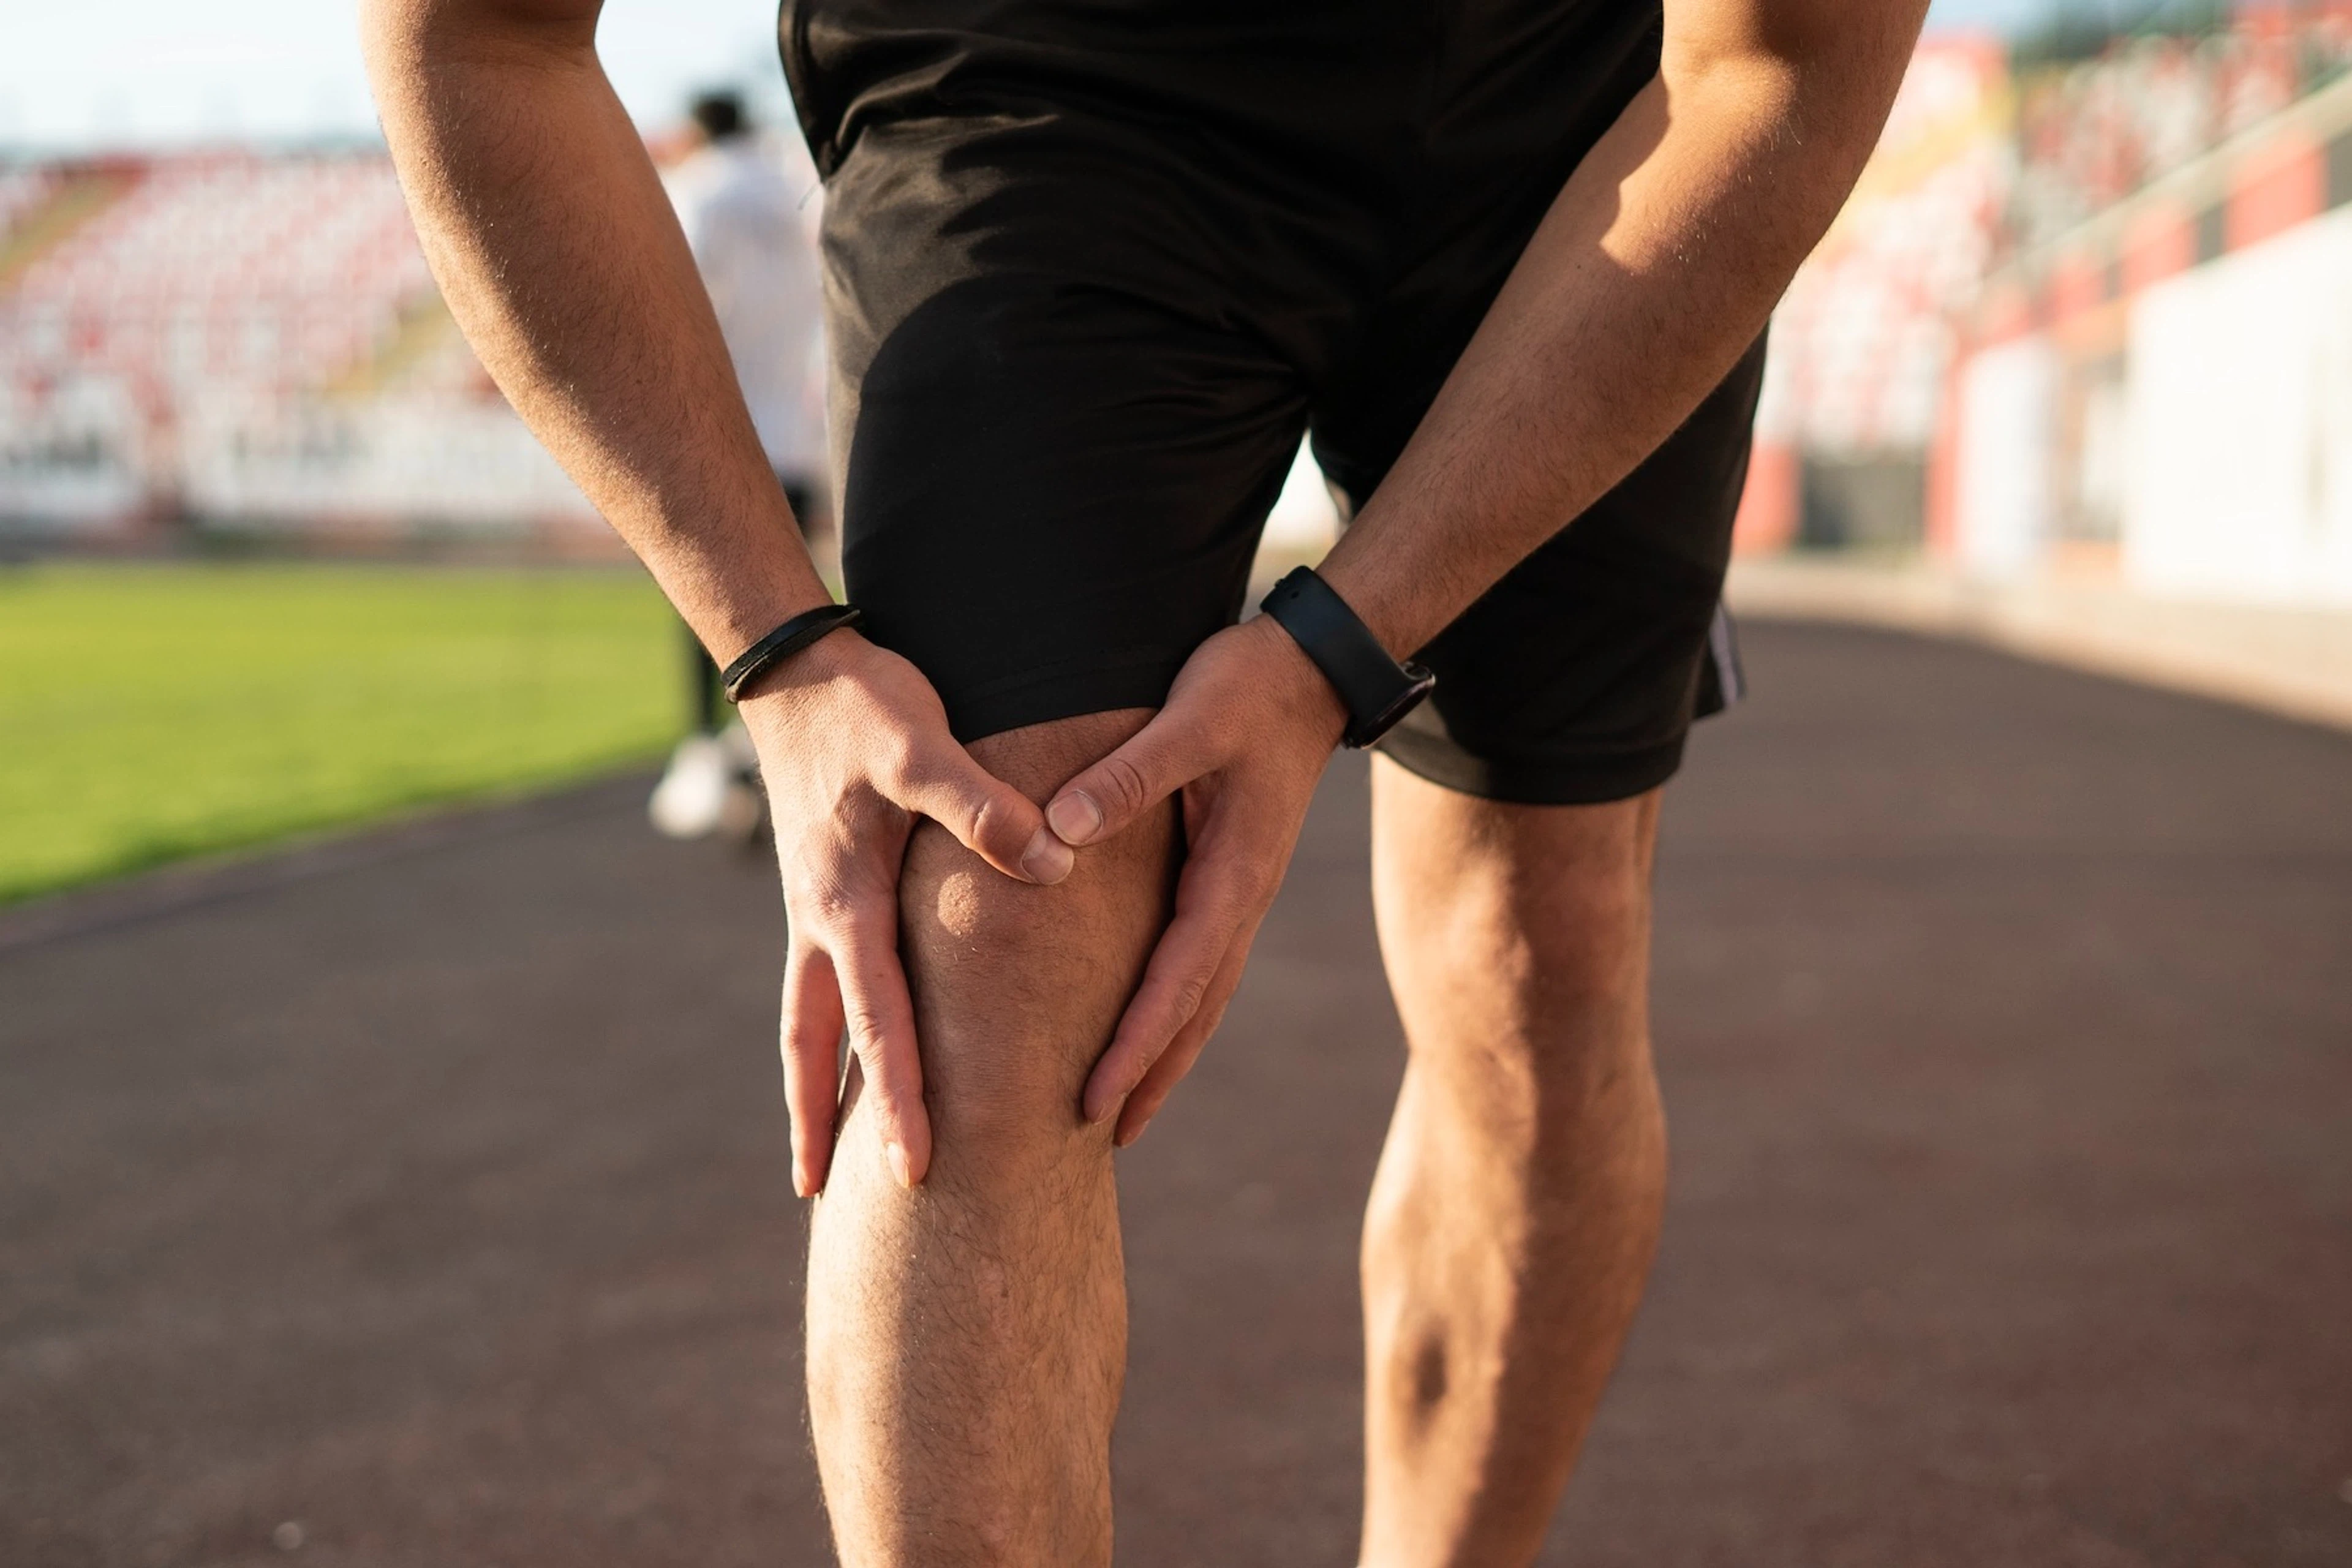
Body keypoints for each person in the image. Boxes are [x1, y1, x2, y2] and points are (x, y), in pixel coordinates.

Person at [363, 0, 1926, 1559]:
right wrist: (776, 649)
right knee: (979, 917)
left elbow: (1780, 69)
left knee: (1535, 950)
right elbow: (479, 41)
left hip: (1585, 110)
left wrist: (1335, 650)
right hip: (1052, 69)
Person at [646, 88, 829, 842]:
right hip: (795, 432)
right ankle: (775, 763)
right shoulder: (796, 187)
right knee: (791, 607)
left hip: (718, 433)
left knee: (707, 606)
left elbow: (671, 301)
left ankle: (707, 755)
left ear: (697, 129)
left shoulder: (700, 192)